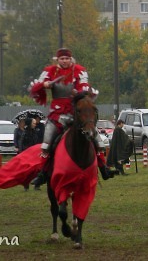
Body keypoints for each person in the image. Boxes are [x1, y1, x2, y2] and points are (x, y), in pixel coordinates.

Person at [29, 47, 104, 186]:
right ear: (58, 60)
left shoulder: (79, 70)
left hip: (75, 112)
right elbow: (35, 87)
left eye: (67, 58)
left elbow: (85, 86)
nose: (65, 61)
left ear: (71, 59)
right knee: (46, 143)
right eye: (62, 59)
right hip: (56, 114)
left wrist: (79, 92)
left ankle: (103, 167)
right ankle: (43, 173)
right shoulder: (50, 71)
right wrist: (44, 84)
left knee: (95, 137)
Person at [20, 117, 42, 190]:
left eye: (35, 123)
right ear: (29, 124)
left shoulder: (35, 132)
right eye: (33, 123)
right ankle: (26, 185)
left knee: (37, 170)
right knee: (27, 171)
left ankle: (37, 185)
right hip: (27, 154)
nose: (35, 124)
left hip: (35, 154)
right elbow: (21, 144)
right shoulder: (25, 133)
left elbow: (37, 142)